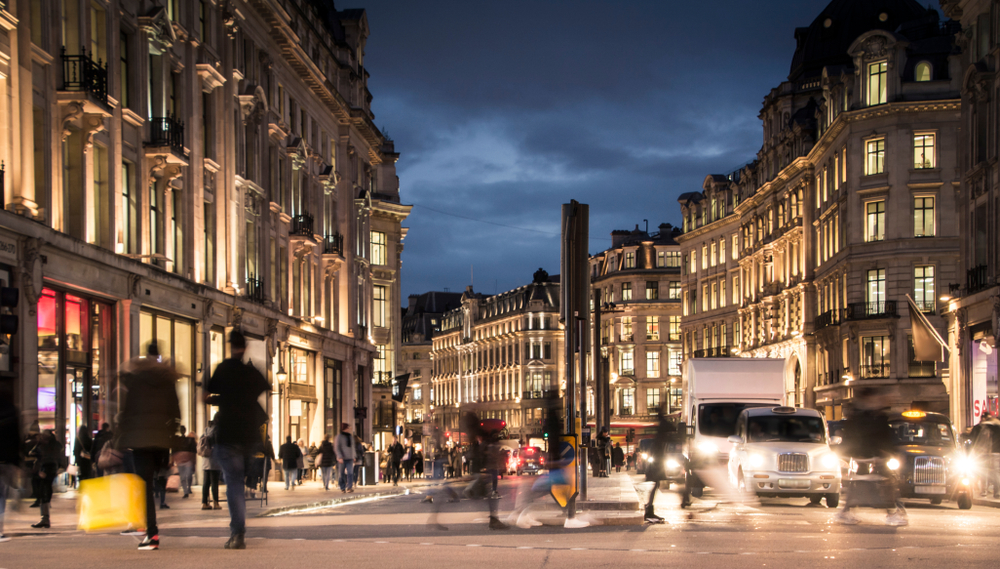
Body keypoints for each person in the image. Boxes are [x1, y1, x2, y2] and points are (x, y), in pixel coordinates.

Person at [205, 330, 271, 550]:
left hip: (228, 434)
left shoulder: (223, 369)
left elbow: (208, 392)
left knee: (233, 483)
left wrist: (219, 399)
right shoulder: (250, 372)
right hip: (248, 437)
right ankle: (238, 530)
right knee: (239, 481)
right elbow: (265, 387)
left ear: (230, 346)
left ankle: (238, 533)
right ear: (245, 348)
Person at [116, 341, 182, 550]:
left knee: (144, 486)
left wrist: (120, 437)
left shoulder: (136, 379)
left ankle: (152, 534)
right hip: (162, 440)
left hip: (141, 440)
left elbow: (127, 410)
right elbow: (176, 411)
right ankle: (152, 528)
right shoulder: (168, 380)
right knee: (157, 481)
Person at [834, 388, 906, 526]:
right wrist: (890, 451)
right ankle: (892, 512)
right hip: (870, 455)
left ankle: (846, 511)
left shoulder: (862, 414)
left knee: (860, 484)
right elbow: (879, 435)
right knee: (886, 483)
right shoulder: (870, 416)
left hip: (865, 454)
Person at [28, 430, 60, 529]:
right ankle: (45, 518)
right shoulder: (56, 444)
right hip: (53, 469)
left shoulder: (43, 445)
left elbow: (32, 453)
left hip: (45, 469)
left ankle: (45, 518)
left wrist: (43, 470)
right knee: (46, 490)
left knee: (43, 491)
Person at [0, 388, 21, 542]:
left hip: (6, 460)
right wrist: (16, 461)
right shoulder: (10, 410)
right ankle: (0, 529)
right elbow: (15, 438)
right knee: (1, 495)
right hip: (5, 461)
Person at [971, 411, 1000, 498]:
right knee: (993, 472)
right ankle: (996, 492)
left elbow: (978, 441)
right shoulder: (994, 426)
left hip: (990, 452)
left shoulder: (985, 427)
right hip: (992, 452)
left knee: (987, 472)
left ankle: (986, 491)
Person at [200, 420, 222, 510]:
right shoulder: (216, 431)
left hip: (205, 460)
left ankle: (204, 503)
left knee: (206, 483)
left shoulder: (206, 431)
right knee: (214, 483)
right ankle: (216, 503)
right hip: (214, 460)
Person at [172, 426, 197, 499]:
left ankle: (188, 488)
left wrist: (193, 460)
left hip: (187, 460)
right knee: (183, 477)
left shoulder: (188, 440)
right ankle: (186, 491)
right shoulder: (179, 440)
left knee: (188, 475)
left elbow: (193, 451)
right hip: (180, 461)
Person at [335, 424, 355, 493]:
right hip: (342, 458)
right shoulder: (339, 437)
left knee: (350, 472)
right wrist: (339, 456)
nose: (349, 429)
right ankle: (342, 487)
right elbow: (337, 447)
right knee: (341, 473)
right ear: (344, 428)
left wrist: (354, 456)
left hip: (349, 458)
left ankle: (349, 487)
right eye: (348, 428)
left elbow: (352, 447)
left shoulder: (350, 436)